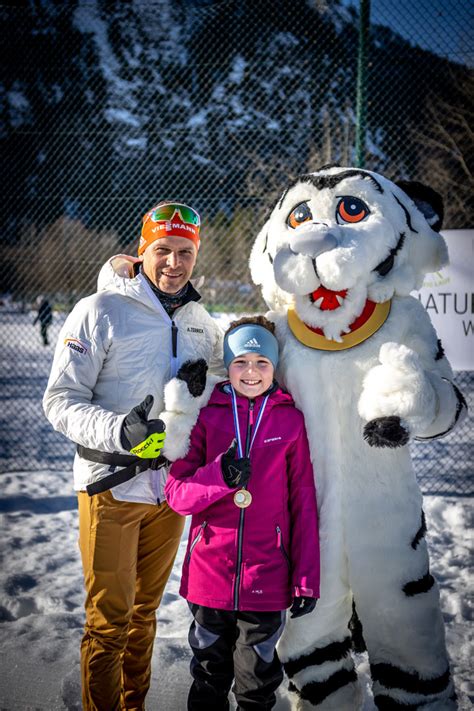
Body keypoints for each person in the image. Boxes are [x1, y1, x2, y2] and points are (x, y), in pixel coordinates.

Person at [43, 201, 224, 711]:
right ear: (142, 251)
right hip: (110, 486)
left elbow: (214, 390)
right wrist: (119, 430)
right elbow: (59, 401)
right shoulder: (100, 310)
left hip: (169, 490)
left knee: (146, 615)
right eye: (162, 250)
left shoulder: (201, 322)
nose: (174, 262)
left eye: (185, 252)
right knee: (109, 622)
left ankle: (133, 704)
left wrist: (205, 385)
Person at [164, 315, 320, 711]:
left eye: (261, 362)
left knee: (256, 686)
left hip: (267, 579)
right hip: (209, 576)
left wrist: (304, 579)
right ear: (227, 366)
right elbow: (177, 495)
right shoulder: (208, 415)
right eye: (240, 362)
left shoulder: (290, 420)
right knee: (208, 681)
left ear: (274, 366)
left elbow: (302, 502)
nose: (251, 371)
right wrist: (220, 475)